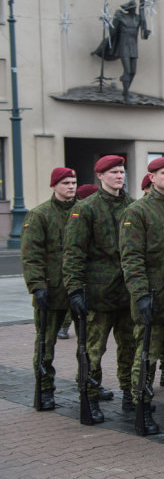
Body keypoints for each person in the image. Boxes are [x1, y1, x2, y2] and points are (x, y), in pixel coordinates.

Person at [119, 157, 164, 434]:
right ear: (152, 177)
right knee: (147, 357)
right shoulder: (137, 212)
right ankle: (142, 405)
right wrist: (140, 295)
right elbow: (132, 258)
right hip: (153, 297)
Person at [63, 155, 136, 422]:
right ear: (100, 176)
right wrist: (75, 289)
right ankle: (90, 398)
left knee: (130, 347)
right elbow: (73, 253)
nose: (120, 176)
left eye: (122, 172)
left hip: (127, 292)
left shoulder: (133, 206)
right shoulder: (85, 209)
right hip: (98, 292)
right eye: (114, 172)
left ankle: (131, 393)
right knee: (93, 350)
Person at [21, 167, 77, 411]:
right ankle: (45, 389)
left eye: (73, 182)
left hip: (78, 289)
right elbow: (31, 255)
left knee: (89, 344)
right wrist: (37, 286)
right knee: (46, 343)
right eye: (65, 183)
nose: (71, 187)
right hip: (51, 290)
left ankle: (90, 384)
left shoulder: (81, 212)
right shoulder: (39, 215)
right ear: (54, 186)